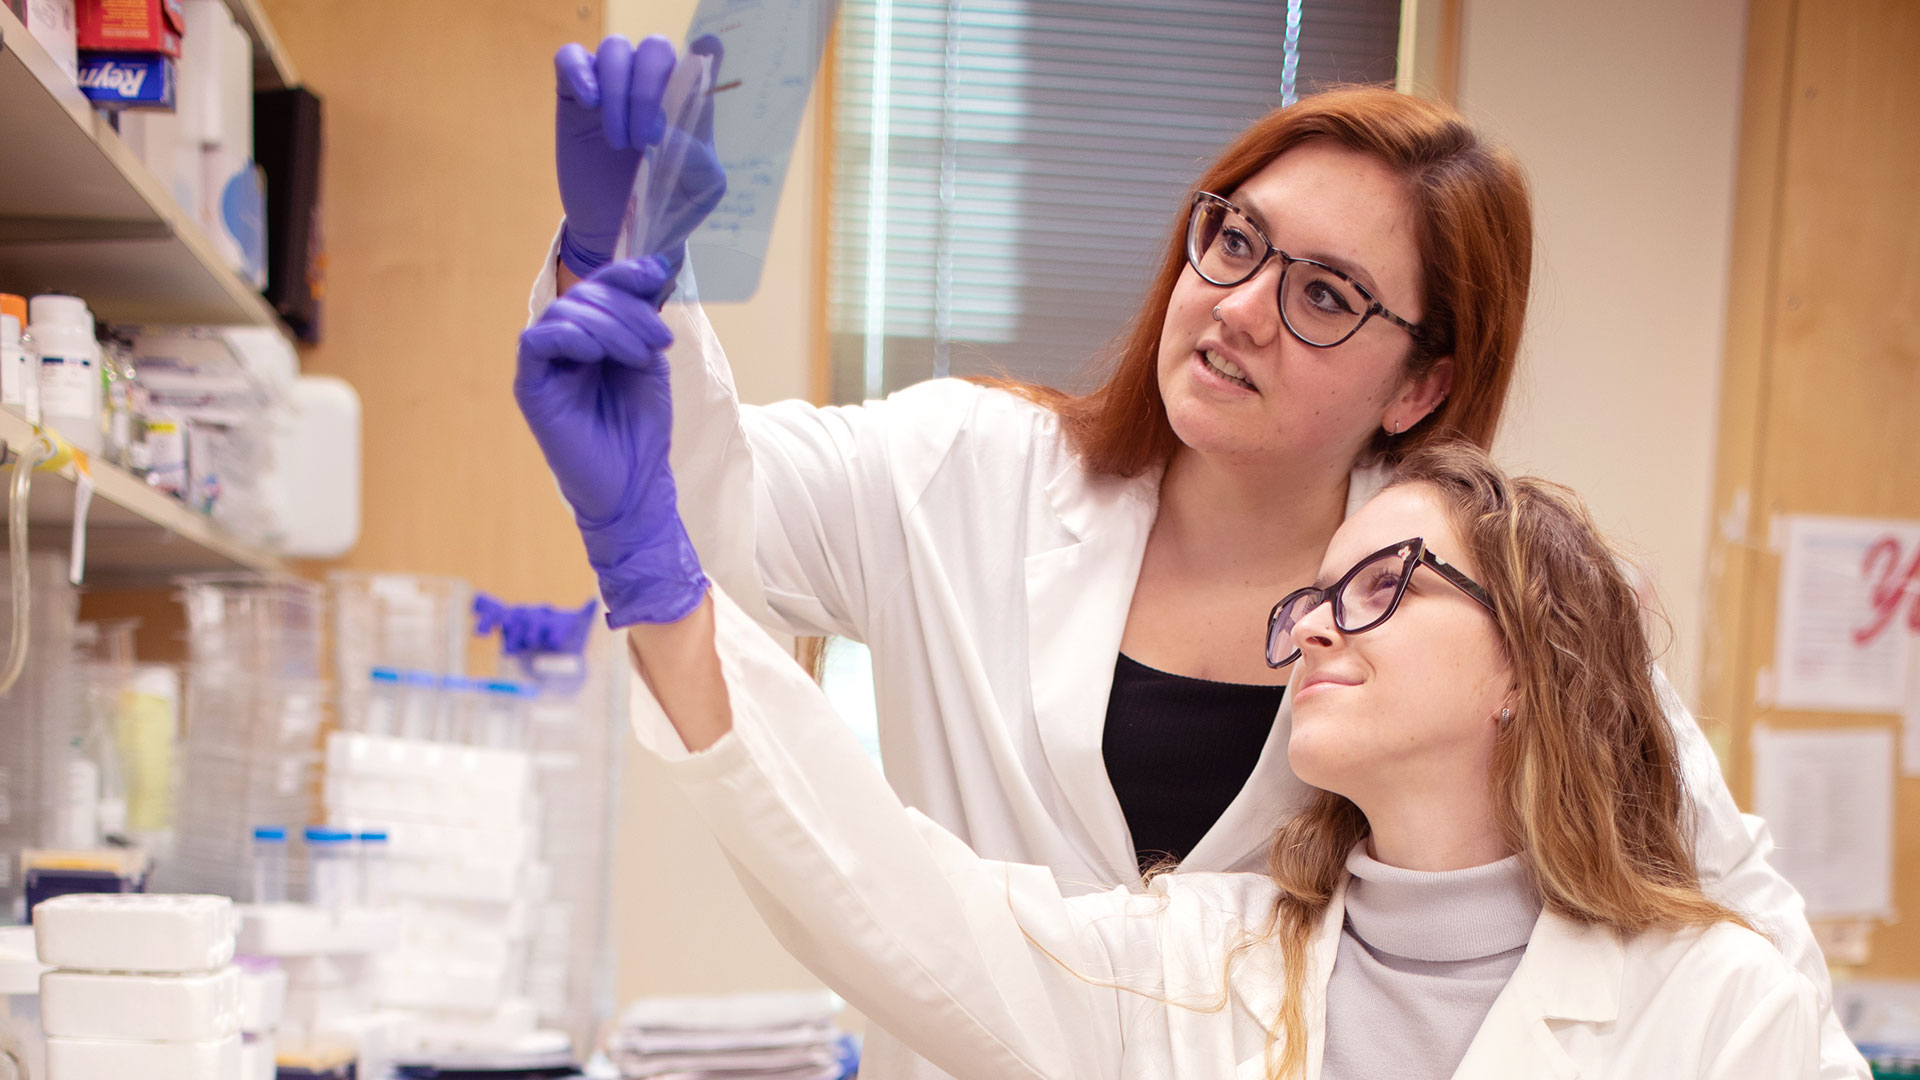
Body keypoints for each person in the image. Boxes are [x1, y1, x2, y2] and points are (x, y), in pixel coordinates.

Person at [518, 36, 1864, 1078]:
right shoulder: (963, 475)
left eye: (1326, 295)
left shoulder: (1467, 580)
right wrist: (614, 266)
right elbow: (706, 513)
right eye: (1233, 241)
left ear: (1419, 383)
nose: (1238, 309)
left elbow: (1719, 903)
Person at [617, 439, 1820, 1078]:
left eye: (1380, 584)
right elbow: (894, 899)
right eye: (1308, 598)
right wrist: (656, 581)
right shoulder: (1200, 963)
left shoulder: (1715, 1008)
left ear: (1524, 662)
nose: (1313, 627)